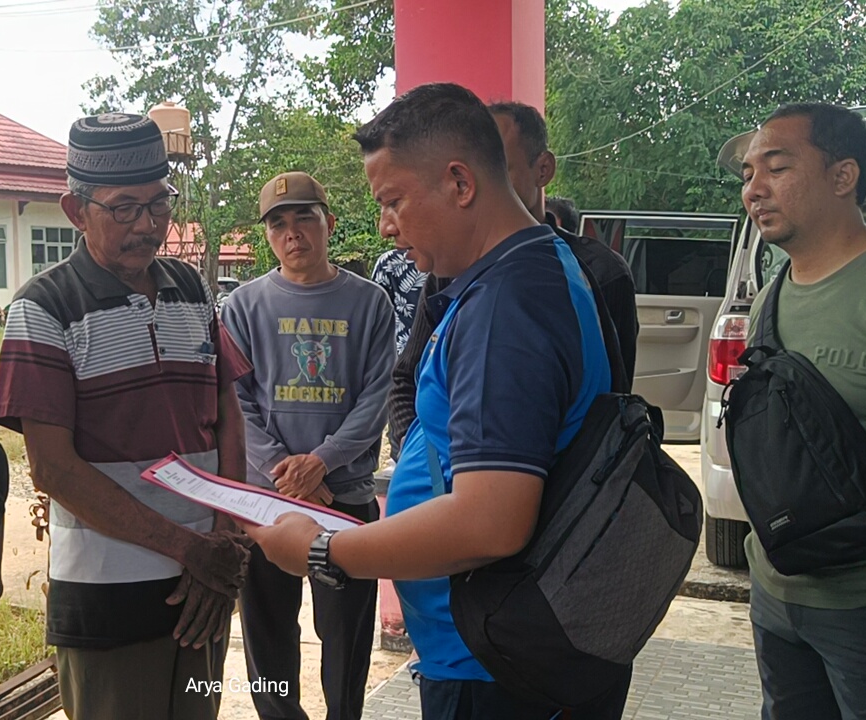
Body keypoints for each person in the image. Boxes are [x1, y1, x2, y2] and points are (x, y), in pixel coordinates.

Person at [246, 82, 618, 720]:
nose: (386, 228)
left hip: (493, 661)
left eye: (392, 202)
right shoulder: (513, 275)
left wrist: (320, 550)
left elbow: (489, 522)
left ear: (460, 183)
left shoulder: (509, 309)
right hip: (490, 642)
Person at [0, 112, 253, 720]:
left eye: (159, 206)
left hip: (204, 585)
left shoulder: (191, 289)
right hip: (109, 591)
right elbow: (54, 470)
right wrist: (189, 548)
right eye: (124, 209)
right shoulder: (45, 308)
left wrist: (226, 534)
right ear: (75, 211)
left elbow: (226, 413)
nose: (147, 227)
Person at [221, 172, 395, 720]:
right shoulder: (244, 306)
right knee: (268, 637)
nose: (292, 232)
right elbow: (235, 400)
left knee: (346, 638)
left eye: (304, 218)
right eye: (278, 223)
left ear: (329, 223)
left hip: (342, 498)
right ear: (266, 236)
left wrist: (322, 462)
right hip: (267, 504)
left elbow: (377, 399)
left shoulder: (370, 303)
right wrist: (284, 470)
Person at [387, 101, 638, 459]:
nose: (475, 184)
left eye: (498, 167)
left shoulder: (596, 271)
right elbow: (404, 382)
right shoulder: (449, 269)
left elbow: (613, 410)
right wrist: (424, 463)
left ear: (544, 169)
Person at [739, 102, 866, 719]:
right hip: (774, 591)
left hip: (865, 605)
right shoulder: (770, 297)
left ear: (843, 176)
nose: (755, 189)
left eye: (777, 167)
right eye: (747, 175)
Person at [370, 248, 427, 356]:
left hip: (448, 350)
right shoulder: (390, 261)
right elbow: (376, 314)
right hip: (403, 353)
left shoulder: (455, 261)